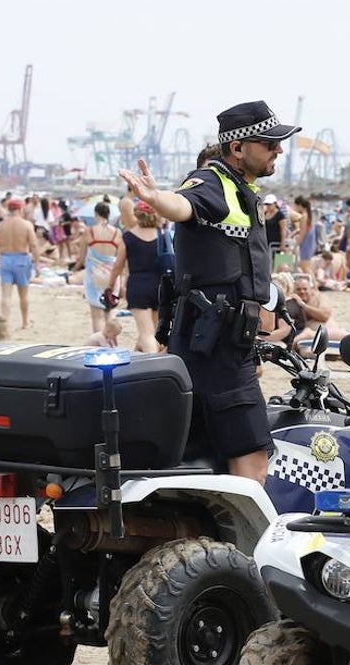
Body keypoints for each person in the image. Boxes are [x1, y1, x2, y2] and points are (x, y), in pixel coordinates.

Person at [119, 99, 300, 483]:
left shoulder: (241, 189)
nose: (278, 150)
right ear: (237, 148)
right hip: (218, 346)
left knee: (206, 447)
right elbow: (184, 204)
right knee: (251, 454)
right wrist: (156, 199)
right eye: (270, 143)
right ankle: (251, 542)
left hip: (214, 340)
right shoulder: (212, 182)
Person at [108, 200, 164, 353]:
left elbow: (118, 266)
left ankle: (154, 367)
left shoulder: (129, 237)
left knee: (146, 333)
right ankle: (140, 358)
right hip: (160, 286)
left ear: (137, 215)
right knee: (156, 332)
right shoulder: (162, 236)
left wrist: (110, 285)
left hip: (138, 285)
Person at [0, 196, 41, 339]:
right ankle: (25, 322)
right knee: (23, 294)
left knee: (6, 295)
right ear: (20, 209)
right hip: (22, 258)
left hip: (6, 258)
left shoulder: (1, 225)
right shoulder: (26, 225)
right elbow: (33, 245)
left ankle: (4, 323)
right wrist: (37, 264)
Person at [82, 202, 121, 335]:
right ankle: (112, 342)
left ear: (95, 214)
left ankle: (99, 344)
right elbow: (120, 256)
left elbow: (81, 256)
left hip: (94, 273)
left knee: (96, 315)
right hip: (112, 273)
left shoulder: (90, 231)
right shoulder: (117, 233)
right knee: (110, 310)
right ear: (109, 214)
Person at [293, 196, 316, 274]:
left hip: (306, 244)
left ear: (299, 205)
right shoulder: (309, 215)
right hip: (310, 243)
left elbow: (303, 233)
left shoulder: (304, 216)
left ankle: (314, 286)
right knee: (306, 267)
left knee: (305, 267)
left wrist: (296, 245)